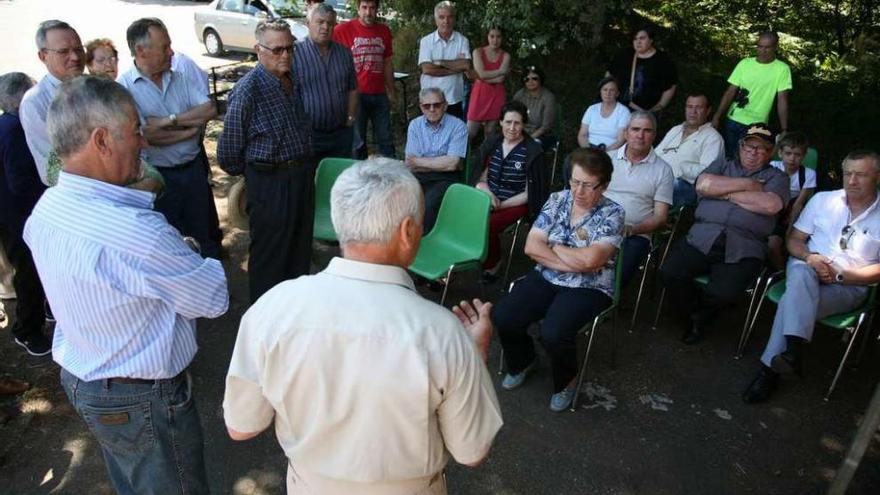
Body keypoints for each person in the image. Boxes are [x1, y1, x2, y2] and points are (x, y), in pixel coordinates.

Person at [223, 158, 503, 494]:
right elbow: (471, 451)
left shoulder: (273, 308)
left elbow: (241, 427)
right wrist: (475, 356)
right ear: (408, 231)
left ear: (340, 222)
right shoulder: (443, 333)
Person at [24, 75, 229, 495]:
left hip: (87, 381)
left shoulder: (47, 208)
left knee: (134, 482)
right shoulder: (137, 233)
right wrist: (188, 248)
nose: (145, 143)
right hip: (141, 400)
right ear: (101, 140)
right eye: (136, 131)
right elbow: (214, 296)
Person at [743, 150, 880, 403]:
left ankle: (779, 363)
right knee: (803, 274)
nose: (852, 181)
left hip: (848, 286)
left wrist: (841, 276)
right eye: (848, 173)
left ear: (877, 177)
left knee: (790, 302)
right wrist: (810, 258)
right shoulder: (823, 200)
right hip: (807, 268)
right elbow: (794, 240)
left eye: (861, 175)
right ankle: (783, 360)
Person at [493, 148, 625, 412]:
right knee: (504, 315)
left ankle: (567, 381)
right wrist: (573, 258)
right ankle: (523, 360)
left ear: (605, 185)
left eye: (588, 185)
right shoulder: (557, 199)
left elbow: (592, 262)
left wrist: (555, 247)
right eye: (575, 182)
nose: (578, 191)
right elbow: (531, 246)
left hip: (591, 286)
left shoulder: (614, 214)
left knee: (553, 332)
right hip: (547, 275)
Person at [660, 123, 788, 344]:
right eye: (749, 146)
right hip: (702, 236)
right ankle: (695, 315)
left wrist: (724, 193)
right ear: (740, 146)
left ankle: (701, 317)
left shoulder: (777, 178)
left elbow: (770, 205)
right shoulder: (723, 163)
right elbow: (702, 185)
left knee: (724, 293)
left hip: (744, 245)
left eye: (761, 148)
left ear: (770, 152)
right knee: (669, 272)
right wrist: (747, 185)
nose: (753, 152)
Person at [219, 20, 314, 303]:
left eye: (289, 48)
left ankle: (293, 314)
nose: (285, 55)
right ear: (258, 50)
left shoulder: (292, 78)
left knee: (299, 251)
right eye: (277, 50)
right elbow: (228, 154)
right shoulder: (248, 90)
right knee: (270, 257)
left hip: (300, 177)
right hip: (269, 182)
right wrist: (258, 176)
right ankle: (263, 323)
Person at [118, 18, 221, 259]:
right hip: (160, 178)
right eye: (164, 47)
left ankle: (212, 288)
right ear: (141, 51)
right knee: (172, 241)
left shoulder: (180, 78)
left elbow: (209, 110)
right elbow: (148, 135)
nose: (171, 52)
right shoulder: (124, 88)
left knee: (203, 234)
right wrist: (188, 127)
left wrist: (168, 121)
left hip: (193, 170)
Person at [0, 72, 50, 356]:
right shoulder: (15, 129)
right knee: (28, 273)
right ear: (20, 99)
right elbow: (21, 182)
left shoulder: (7, 124)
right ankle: (28, 331)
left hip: (12, 215)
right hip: (19, 217)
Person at [473, 101, 548, 278]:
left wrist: (502, 205)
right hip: (488, 197)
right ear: (500, 122)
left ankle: (493, 262)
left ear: (523, 125)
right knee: (467, 216)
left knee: (487, 225)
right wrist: (488, 193)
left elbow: (530, 193)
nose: (512, 128)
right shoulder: (493, 143)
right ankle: (472, 253)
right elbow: (480, 178)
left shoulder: (532, 151)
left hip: (516, 202)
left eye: (517, 123)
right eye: (508, 122)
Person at [604, 110, 674, 287]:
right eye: (635, 129)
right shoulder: (607, 159)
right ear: (626, 132)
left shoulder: (663, 170)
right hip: (598, 224)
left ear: (654, 135)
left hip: (635, 235)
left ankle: (605, 305)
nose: (640, 135)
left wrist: (632, 229)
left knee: (614, 278)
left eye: (647, 130)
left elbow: (660, 217)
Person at [20, 20, 85, 186]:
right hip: (74, 195)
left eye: (78, 49)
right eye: (64, 51)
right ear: (43, 56)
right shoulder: (35, 102)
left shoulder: (99, 88)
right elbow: (53, 166)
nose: (75, 57)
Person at [712, 31, 792, 159]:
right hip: (733, 119)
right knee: (729, 158)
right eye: (760, 46)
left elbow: (782, 100)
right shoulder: (745, 63)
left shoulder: (782, 69)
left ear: (775, 47)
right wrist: (717, 115)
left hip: (757, 125)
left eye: (767, 47)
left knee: (748, 161)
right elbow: (730, 91)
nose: (762, 50)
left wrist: (784, 129)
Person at [294, 3, 358, 162]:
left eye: (330, 23)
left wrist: (350, 118)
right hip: (309, 135)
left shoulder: (344, 53)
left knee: (338, 178)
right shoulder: (294, 53)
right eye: (320, 22)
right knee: (310, 180)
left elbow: (353, 88)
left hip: (340, 134)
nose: (325, 27)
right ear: (308, 24)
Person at [332, 0, 395, 159]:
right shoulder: (342, 30)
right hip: (355, 95)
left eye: (372, 8)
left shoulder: (384, 31)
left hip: (379, 94)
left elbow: (387, 63)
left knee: (386, 139)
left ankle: (391, 178)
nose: (368, 12)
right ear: (358, 9)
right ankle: (358, 178)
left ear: (377, 9)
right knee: (357, 143)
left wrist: (392, 91)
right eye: (364, 8)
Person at [404, 87, 467, 232]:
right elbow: (410, 162)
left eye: (437, 105)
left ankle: (425, 243)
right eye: (427, 106)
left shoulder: (458, 126)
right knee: (401, 199)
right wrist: (441, 162)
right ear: (421, 107)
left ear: (445, 105)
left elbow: (452, 164)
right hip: (417, 175)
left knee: (427, 205)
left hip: (446, 178)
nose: (432, 109)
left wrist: (419, 161)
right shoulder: (415, 125)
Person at [655, 92, 725, 207]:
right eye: (690, 107)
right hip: (657, 177)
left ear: (708, 111)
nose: (693, 112)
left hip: (684, 186)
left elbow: (708, 174)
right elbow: (656, 154)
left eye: (698, 108)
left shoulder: (713, 138)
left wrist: (680, 168)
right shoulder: (676, 129)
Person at [767, 131, 815, 270]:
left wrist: (790, 230)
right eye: (788, 153)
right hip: (771, 208)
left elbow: (799, 204)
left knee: (773, 244)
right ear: (780, 153)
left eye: (797, 155)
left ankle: (781, 271)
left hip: (789, 213)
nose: (792, 159)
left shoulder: (808, 174)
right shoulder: (773, 166)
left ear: (804, 156)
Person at [418, 1, 471, 120]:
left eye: (450, 17)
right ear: (436, 19)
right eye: (442, 17)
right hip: (430, 101)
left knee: (453, 135)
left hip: (454, 98)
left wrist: (441, 62)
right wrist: (455, 69)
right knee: (431, 135)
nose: (446, 21)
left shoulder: (462, 41)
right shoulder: (426, 41)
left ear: (454, 19)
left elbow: (466, 65)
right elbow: (427, 69)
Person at [607, 26, 677, 114]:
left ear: (651, 40)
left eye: (642, 38)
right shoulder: (625, 55)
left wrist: (660, 106)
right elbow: (610, 74)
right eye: (635, 39)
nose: (638, 42)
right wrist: (608, 97)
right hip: (620, 108)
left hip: (648, 111)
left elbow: (670, 86)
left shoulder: (662, 60)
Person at [466, 27, 510, 142]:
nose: (495, 40)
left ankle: (486, 159)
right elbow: (481, 73)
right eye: (492, 36)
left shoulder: (506, 56)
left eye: (498, 37)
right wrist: (500, 71)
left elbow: (500, 79)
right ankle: (459, 159)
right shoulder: (478, 52)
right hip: (479, 94)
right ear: (487, 37)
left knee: (490, 132)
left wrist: (481, 78)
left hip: (497, 95)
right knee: (470, 132)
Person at [577, 76, 630, 151]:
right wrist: (588, 152)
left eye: (612, 90)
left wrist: (604, 154)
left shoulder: (623, 112)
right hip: (589, 149)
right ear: (600, 92)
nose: (608, 93)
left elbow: (620, 140)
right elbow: (582, 135)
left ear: (617, 93)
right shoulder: (592, 109)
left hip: (611, 151)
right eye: (605, 90)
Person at [512, 65, 557, 151]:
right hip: (520, 132)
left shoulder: (548, 97)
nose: (530, 81)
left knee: (529, 147)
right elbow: (512, 116)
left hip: (541, 135)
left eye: (534, 78)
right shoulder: (519, 95)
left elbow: (546, 127)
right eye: (527, 79)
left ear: (541, 79)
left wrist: (528, 139)